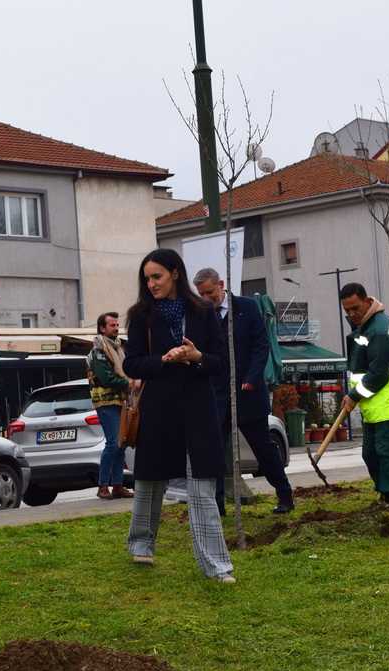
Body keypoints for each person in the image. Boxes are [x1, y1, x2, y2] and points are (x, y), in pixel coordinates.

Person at [124, 248, 235, 582]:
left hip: (198, 407)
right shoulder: (140, 314)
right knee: (149, 480)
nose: (152, 283)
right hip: (157, 407)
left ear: (175, 273)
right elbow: (131, 364)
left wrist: (197, 355)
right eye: (147, 278)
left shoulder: (202, 310)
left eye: (156, 276)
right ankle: (141, 546)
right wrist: (163, 360)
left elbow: (220, 362)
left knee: (202, 484)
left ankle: (217, 567)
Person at [192, 267, 293, 515]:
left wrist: (252, 377)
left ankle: (285, 496)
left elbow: (261, 344)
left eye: (209, 292)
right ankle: (217, 506)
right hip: (216, 395)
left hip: (248, 393)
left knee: (264, 448)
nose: (206, 298)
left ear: (221, 285)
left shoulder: (247, 307)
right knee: (215, 449)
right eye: (201, 294)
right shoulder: (201, 313)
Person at [340, 282, 389, 506]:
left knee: (388, 454)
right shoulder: (367, 326)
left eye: (355, 308)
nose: (351, 315)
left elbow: (378, 374)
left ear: (368, 302)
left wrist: (353, 395)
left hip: (388, 403)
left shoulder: (380, 330)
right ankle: (385, 495)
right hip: (374, 405)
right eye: (347, 311)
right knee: (371, 454)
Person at [86, 311, 134, 500]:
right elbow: (106, 378)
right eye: (112, 325)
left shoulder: (118, 347)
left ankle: (118, 485)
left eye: (116, 325)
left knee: (121, 445)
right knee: (113, 444)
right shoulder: (98, 350)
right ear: (102, 329)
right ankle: (102, 486)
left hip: (120, 400)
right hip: (106, 400)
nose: (116, 328)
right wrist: (129, 384)